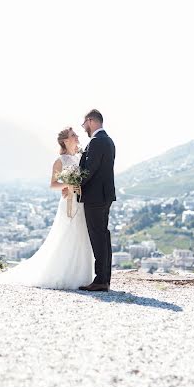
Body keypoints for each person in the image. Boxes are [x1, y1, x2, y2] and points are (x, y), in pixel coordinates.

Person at [0, 127, 95, 290]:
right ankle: (65, 274)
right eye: (73, 135)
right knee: (67, 235)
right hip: (68, 202)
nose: (77, 137)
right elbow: (53, 185)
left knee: (81, 235)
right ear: (65, 141)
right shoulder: (59, 161)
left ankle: (81, 275)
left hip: (80, 201)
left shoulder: (78, 157)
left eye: (76, 134)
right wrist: (68, 185)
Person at [71, 109, 116, 292]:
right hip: (104, 196)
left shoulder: (97, 142)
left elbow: (89, 170)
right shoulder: (108, 140)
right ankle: (104, 279)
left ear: (90, 121)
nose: (84, 129)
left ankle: (100, 280)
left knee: (98, 237)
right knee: (103, 237)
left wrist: (74, 182)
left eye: (84, 125)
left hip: (96, 197)